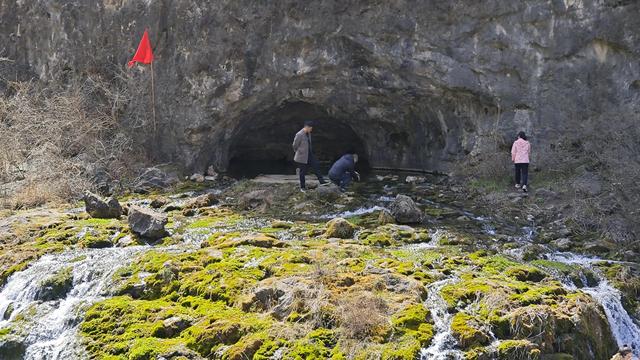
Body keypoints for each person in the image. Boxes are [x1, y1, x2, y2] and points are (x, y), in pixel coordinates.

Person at [292, 120, 327, 191]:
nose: (311, 129)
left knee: (316, 165)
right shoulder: (299, 134)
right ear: (307, 127)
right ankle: (302, 187)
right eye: (311, 128)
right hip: (302, 156)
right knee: (302, 172)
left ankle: (322, 181)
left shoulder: (308, 133)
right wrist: (299, 152)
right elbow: (294, 145)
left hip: (309, 154)